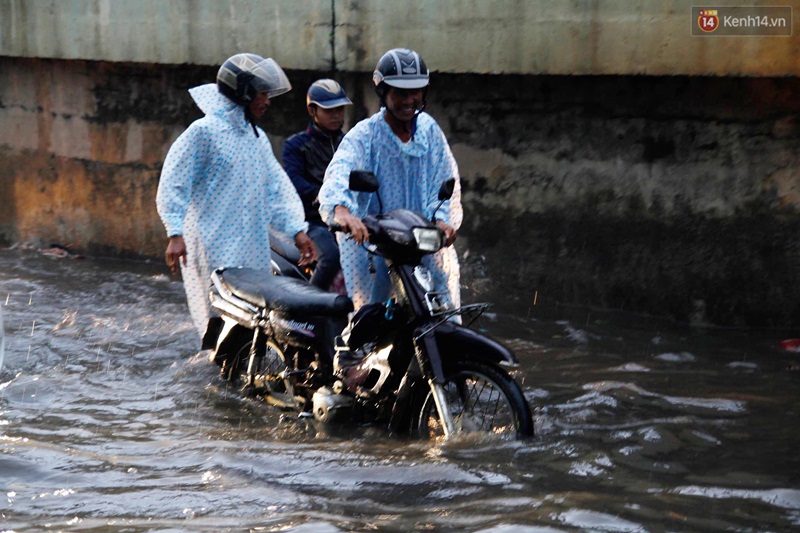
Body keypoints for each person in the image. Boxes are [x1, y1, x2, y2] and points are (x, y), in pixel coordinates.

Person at [156, 53, 316, 339]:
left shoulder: (256, 138)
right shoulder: (203, 132)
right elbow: (174, 181)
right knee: (219, 317)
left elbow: (276, 189)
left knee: (252, 318)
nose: (267, 101)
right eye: (262, 93)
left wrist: (297, 231)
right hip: (211, 243)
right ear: (242, 92)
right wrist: (175, 233)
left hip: (250, 246)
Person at [318, 48, 462, 313]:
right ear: (384, 92)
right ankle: (352, 351)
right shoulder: (365, 135)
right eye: (400, 93)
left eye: (415, 91)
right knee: (370, 322)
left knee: (440, 314)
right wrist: (341, 210)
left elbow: (445, 179)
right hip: (374, 245)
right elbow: (340, 170)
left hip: (421, 242)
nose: (409, 100)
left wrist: (443, 220)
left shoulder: (430, 131)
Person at [282, 79, 352, 290]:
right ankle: (312, 308)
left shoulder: (351, 142)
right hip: (313, 221)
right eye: (329, 110)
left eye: (339, 109)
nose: (337, 115)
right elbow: (294, 181)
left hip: (348, 217)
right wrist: (323, 198)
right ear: (313, 110)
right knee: (331, 257)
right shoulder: (296, 145)